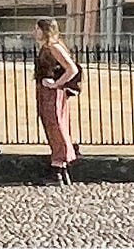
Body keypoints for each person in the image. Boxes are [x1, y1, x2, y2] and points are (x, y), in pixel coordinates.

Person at [32, 17, 80, 185]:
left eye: (37, 29)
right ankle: (61, 169)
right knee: (52, 126)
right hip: (46, 92)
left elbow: (72, 69)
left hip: (53, 94)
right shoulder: (47, 47)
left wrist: (57, 84)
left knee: (56, 126)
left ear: (45, 30)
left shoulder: (54, 47)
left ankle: (58, 167)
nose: (34, 32)